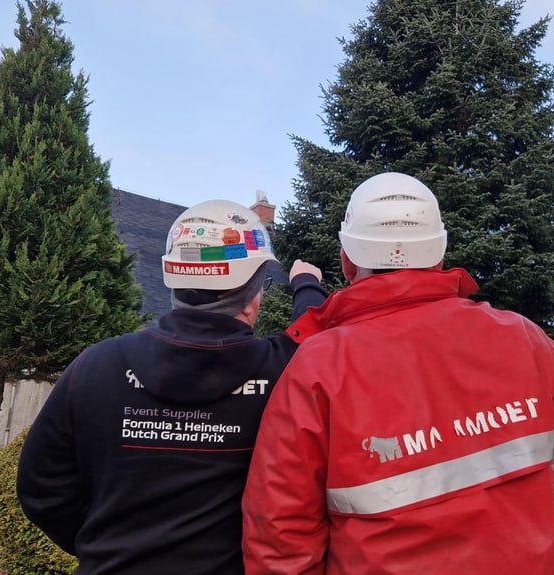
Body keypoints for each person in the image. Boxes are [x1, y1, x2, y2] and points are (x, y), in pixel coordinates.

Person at [242, 172, 554, 575]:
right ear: (438, 255)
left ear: (347, 260)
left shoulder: (318, 366)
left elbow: (280, 535)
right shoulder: (520, 336)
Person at [16, 199, 326, 575]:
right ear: (255, 292)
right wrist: (306, 285)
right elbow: (313, 339)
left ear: (173, 276)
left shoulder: (97, 366)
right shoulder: (281, 371)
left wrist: (107, 545)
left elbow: (41, 489)